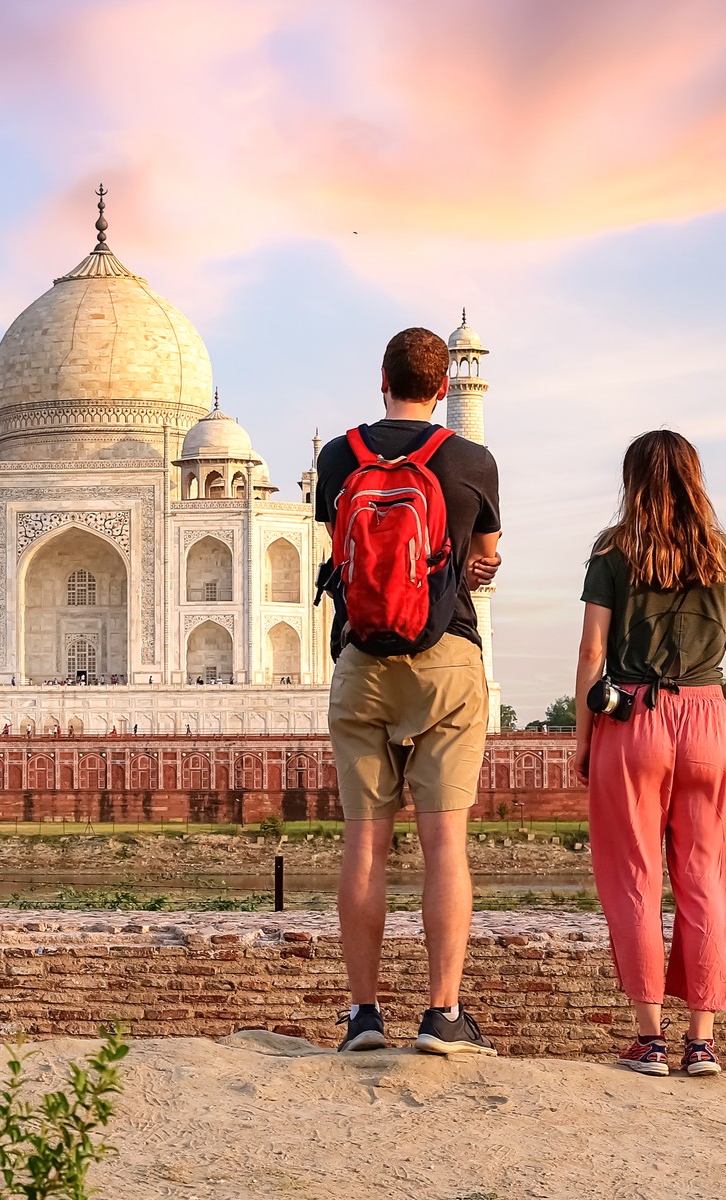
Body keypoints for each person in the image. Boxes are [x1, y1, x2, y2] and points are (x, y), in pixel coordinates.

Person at [317, 327, 501, 1057]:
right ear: (447, 387)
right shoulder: (470, 458)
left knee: (365, 844)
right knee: (443, 843)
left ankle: (364, 1015)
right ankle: (442, 1014)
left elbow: (338, 544)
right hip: (447, 655)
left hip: (361, 658)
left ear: (382, 378)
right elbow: (485, 557)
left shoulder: (339, 456)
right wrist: (471, 566)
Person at [575, 430, 726, 1079]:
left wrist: (583, 737)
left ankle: (651, 1040)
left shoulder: (613, 550)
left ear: (633, 482)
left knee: (635, 880)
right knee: (707, 883)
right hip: (710, 719)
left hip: (633, 721)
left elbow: (592, 652)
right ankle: (701, 1043)